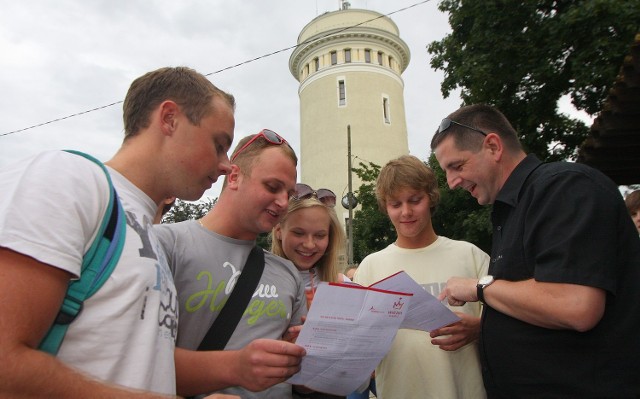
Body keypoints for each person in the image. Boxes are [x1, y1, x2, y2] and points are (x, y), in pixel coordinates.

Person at [0, 66, 238, 398]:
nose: (227, 164)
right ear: (169, 118)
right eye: (219, 144)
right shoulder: (67, 179)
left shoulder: (145, 228)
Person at [431, 104, 640, 398]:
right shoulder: (512, 210)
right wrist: (485, 328)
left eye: (457, 166)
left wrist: (479, 287)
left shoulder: (563, 187)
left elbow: (576, 306)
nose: (451, 183)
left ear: (493, 146)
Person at [154, 130, 307, 399]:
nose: (283, 202)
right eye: (272, 187)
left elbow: (299, 382)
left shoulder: (288, 273)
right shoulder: (164, 245)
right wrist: (235, 367)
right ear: (234, 176)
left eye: (290, 193)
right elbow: (134, 359)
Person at [353, 154, 488, 399]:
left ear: (431, 198)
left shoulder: (471, 255)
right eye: (395, 204)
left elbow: (512, 328)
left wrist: (480, 329)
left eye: (415, 200)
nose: (406, 212)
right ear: (385, 207)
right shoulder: (371, 266)